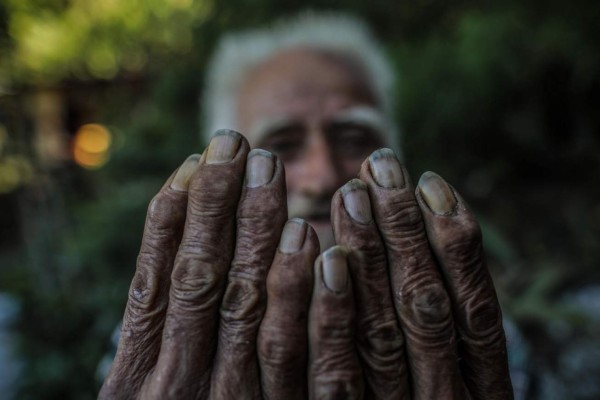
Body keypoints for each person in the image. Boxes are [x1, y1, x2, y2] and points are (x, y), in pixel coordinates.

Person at [99, 13, 515, 399]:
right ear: (223, 175)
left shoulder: (477, 327)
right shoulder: (162, 339)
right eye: (280, 146)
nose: (322, 176)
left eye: (353, 138)